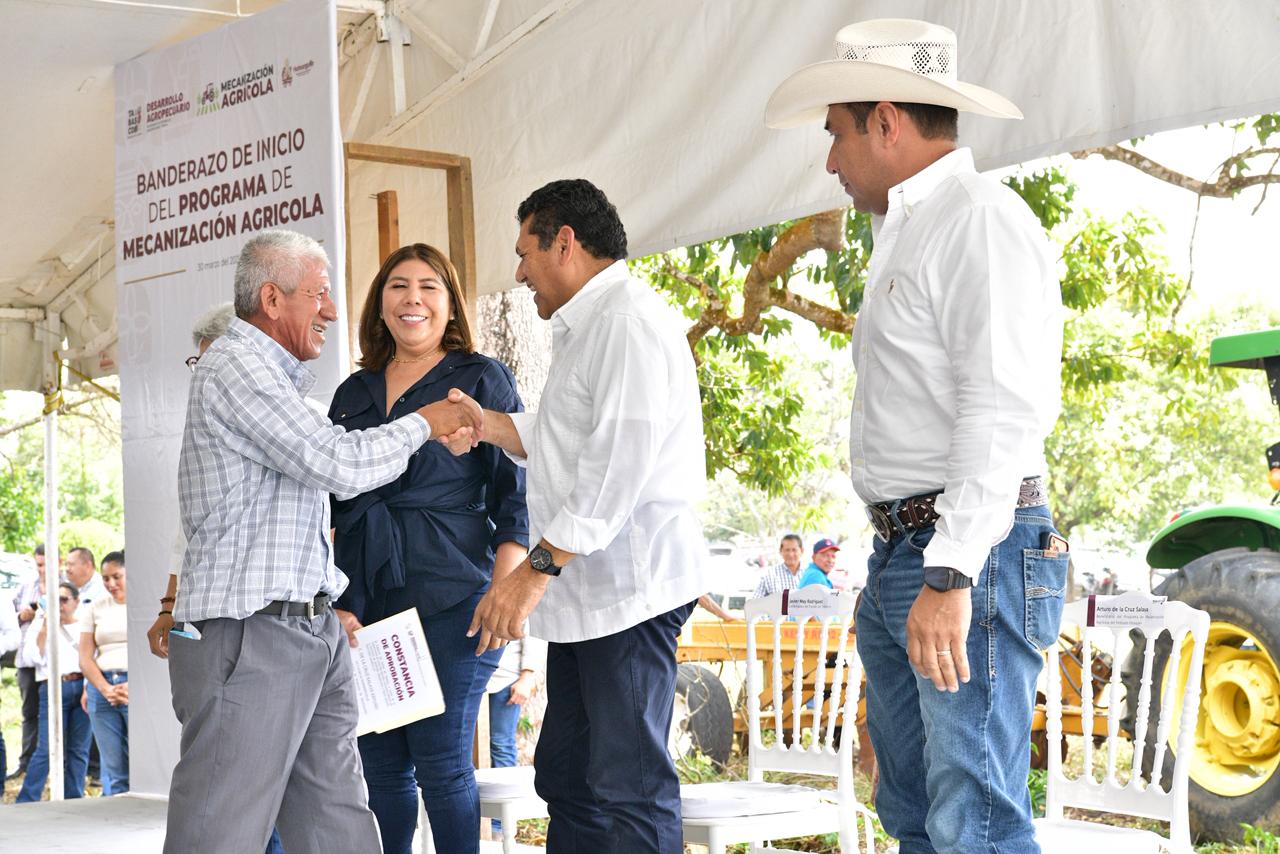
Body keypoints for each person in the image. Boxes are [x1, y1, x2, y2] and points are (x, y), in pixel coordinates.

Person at [766, 19, 1067, 853]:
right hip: (919, 548)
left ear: (886, 122)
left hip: (968, 550)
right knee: (913, 814)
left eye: (837, 134)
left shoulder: (979, 220)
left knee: (972, 821)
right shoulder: (910, 229)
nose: (831, 159)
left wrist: (951, 566)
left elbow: (1002, 407)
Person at [163, 229, 483, 854]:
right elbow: (334, 464)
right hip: (251, 632)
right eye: (320, 295)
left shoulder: (280, 383)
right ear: (272, 299)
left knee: (338, 824)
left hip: (309, 627)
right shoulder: (236, 364)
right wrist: (424, 423)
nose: (333, 311)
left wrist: (327, 604)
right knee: (220, 830)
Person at [461, 179, 710, 853]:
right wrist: (489, 426)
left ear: (564, 242)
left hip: (629, 595)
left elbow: (614, 470)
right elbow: (568, 434)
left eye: (524, 253)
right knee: (567, 773)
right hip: (589, 599)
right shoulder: (591, 325)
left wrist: (531, 571)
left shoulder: (627, 321)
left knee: (628, 786)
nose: (518, 274)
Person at [327, 243, 529, 854]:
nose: (412, 298)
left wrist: (506, 591)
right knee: (381, 765)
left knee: (441, 759)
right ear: (380, 304)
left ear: (449, 304)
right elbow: (328, 508)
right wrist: (336, 598)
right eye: (397, 287)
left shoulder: (479, 378)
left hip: (454, 599)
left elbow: (515, 496)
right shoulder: (353, 392)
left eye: (428, 287)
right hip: (365, 601)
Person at [146, 304, 286, 854]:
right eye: (199, 365)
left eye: (217, 366)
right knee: (213, 763)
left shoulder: (293, 419)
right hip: (200, 623)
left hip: (266, 625)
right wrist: (168, 605)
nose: (207, 380)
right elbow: (189, 535)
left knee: (257, 772)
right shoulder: (201, 432)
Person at [16, 582, 93, 802]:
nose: (59, 605)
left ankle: (74, 798)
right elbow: (31, 658)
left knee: (78, 750)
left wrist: (89, 688)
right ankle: (27, 799)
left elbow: (92, 659)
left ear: (76, 602)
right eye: (54, 600)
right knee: (46, 748)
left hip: (81, 686)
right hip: (52, 687)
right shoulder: (40, 624)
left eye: (64, 599)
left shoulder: (85, 626)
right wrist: (45, 627)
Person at [483, 632, 546, 837]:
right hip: (473, 677)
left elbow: (532, 631)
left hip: (506, 679)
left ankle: (501, 830)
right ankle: (477, 824)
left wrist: (527, 676)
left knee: (502, 746)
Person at [78, 550, 129, 795]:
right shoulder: (95, 607)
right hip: (103, 687)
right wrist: (104, 688)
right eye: (106, 578)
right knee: (114, 767)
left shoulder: (147, 603)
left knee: (143, 762)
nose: (111, 584)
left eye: (116, 577)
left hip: (134, 685)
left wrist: (135, 686)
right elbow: (85, 658)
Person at [10, 544, 46, 780]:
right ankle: (26, 762)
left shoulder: (64, 585)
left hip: (52, 663)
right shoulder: (26, 586)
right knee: (29, 712)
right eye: (39, 564)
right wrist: (21, 616)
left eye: (45, 564)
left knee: (53, 713)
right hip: (26, 661)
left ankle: (50, 761)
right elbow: (9, 619)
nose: (41, 569)